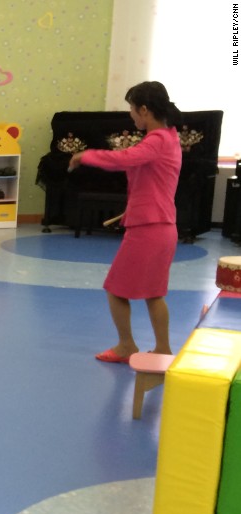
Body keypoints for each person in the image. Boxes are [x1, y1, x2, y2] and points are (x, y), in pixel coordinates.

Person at [69, 80, 183, 363]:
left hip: (149, 229)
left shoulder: (156, 140)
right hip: (161, 225)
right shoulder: (170, 138)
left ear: (144, 109)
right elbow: (151, 182)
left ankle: (126, 345)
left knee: (116, 289)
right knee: (154, 293)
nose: (131, 115)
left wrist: (87, 155)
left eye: (132, 109)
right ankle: (163, 350)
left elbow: (125, 160)